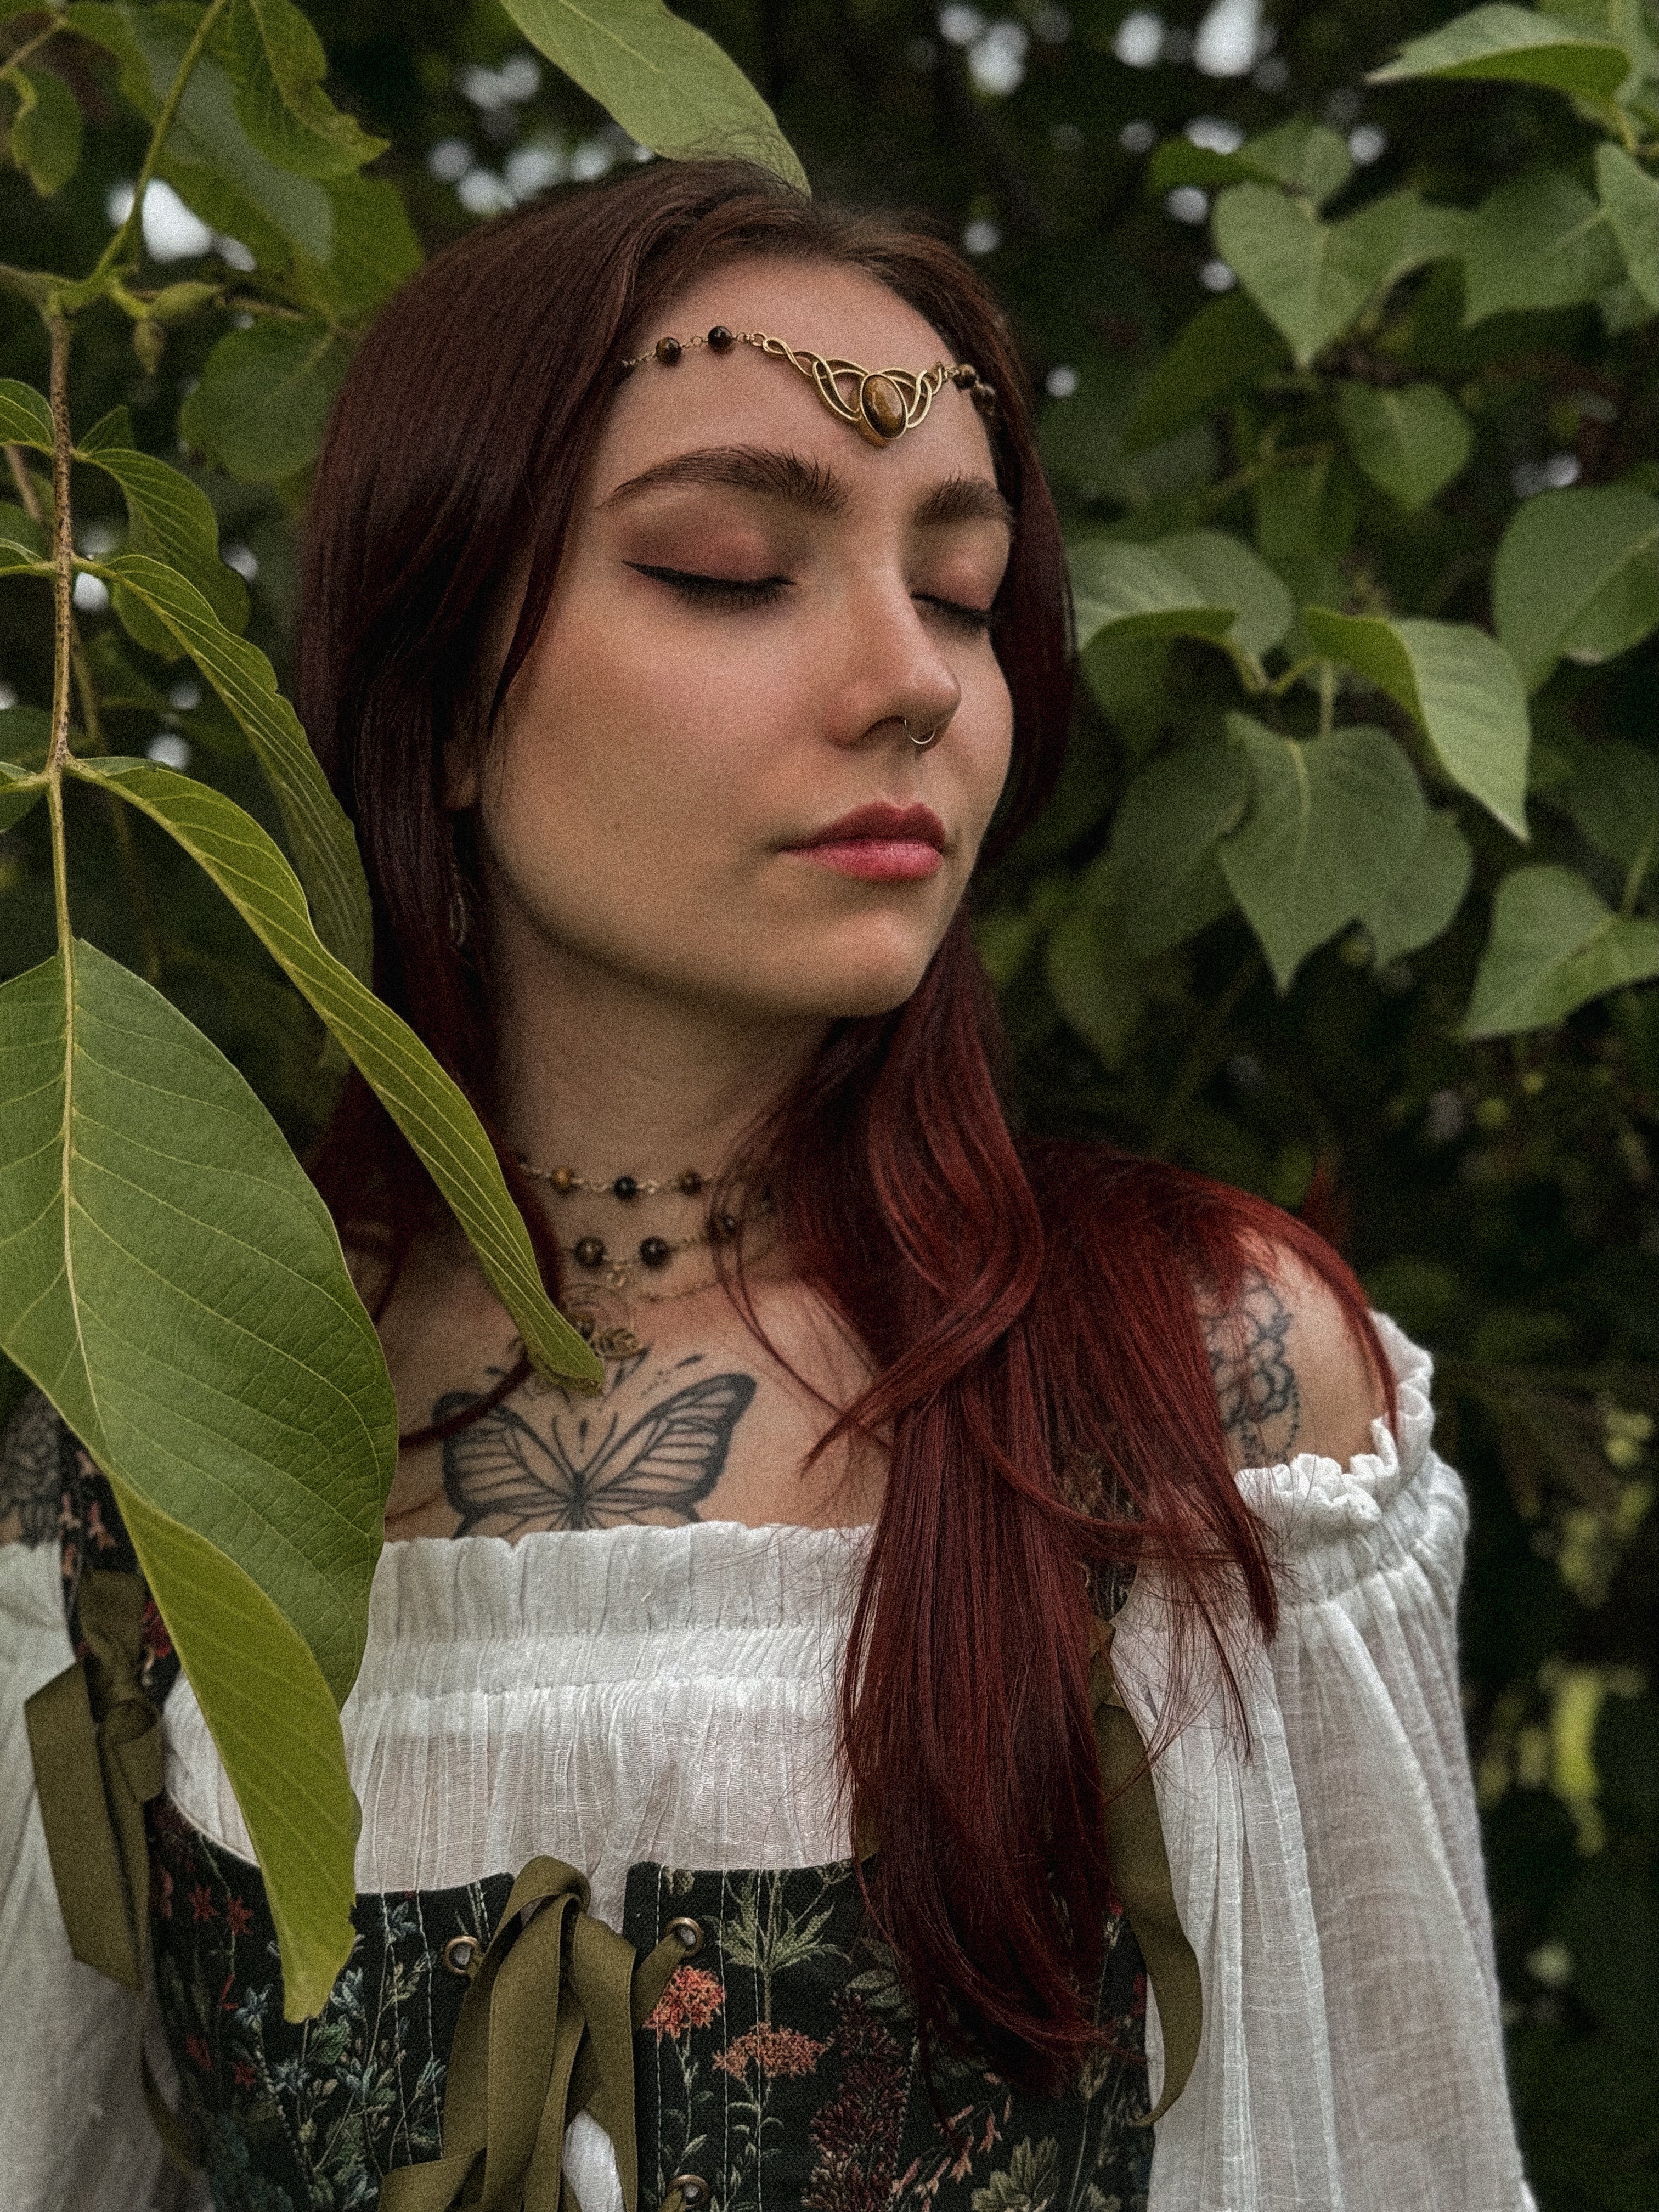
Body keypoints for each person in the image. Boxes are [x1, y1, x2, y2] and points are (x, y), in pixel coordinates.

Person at [0, 158, 1532, 2212]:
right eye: (729, 570)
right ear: (439, 697)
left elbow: (1363, 2157)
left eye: (965, 594)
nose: (914, 678)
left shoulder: (1195, 1380)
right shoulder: (161, 1409)